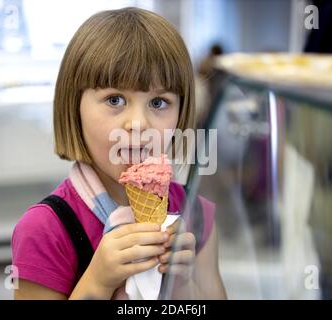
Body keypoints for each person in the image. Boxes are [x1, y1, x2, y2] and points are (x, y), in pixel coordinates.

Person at [12, 7, 226, 300]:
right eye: (115, 99)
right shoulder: (45, 231)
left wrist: (183, 284)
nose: (138, 124)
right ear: (74, 107)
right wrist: (97, 282)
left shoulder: (197, 214)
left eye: (159, 102)